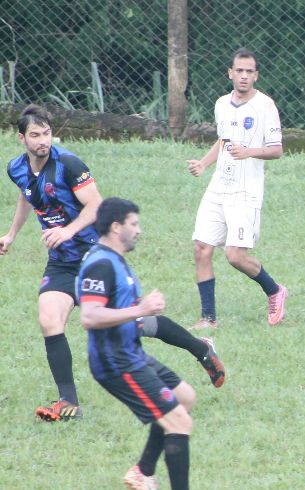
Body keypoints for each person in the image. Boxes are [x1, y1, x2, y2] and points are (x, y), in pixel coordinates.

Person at [2, 105, 224, 423]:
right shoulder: (16, 168)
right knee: (49, 319)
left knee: (134, 322)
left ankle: (200, 348)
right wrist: (11, 234)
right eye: (35, 135)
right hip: (62, 262)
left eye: (47, 133)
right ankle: (69, 402)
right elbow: (27, 195)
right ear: (22, 138)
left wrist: (67, 231)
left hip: (95, 256)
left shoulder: (68, 164)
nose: (42, 141)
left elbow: (96, 204)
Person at [78, 198, 212, 490]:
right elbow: (90, 316)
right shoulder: (100, 264)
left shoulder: (116, 260)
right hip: (116, 363)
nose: (138, 230)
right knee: (179, 422)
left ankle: (143, 471)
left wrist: (144, 313)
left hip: (132, 353)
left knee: (185, 398)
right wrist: (141, 309)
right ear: (116, 227)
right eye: (133, 224)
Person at [188, 48, 286, 328]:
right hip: (218, 187)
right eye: (239, 71)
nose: (244, 76)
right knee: (201, 248)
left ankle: (275, 290)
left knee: (235, 256)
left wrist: (249, 152)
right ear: (230, 73)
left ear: (256, 76)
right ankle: (208, 318)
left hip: (246, 191)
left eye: (249, 71)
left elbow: (277, 150)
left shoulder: (265, 106)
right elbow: (224, 141)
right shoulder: (222, 104)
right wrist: (204, 164)